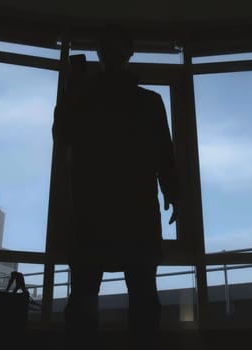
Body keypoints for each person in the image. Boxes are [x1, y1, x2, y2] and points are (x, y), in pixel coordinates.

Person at [52, 24, 181, 349]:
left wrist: (71, 95)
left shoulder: (88, 99)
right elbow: (163, 152)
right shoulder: (145, 101)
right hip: (130, 207)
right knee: (137, 296)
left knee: (89, 294)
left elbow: (62, 136)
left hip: (94, 207)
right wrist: (171, 190)